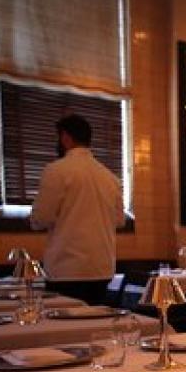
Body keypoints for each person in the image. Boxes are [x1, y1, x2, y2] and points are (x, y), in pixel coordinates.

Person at [30, 114, 125, 305]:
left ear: (65, 137)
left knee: (63, 322)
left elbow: (41, 218)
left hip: (66, 269)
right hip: (102, 269)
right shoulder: (110, 177)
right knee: (95, 321)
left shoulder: (56, 170)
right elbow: (119, 221)